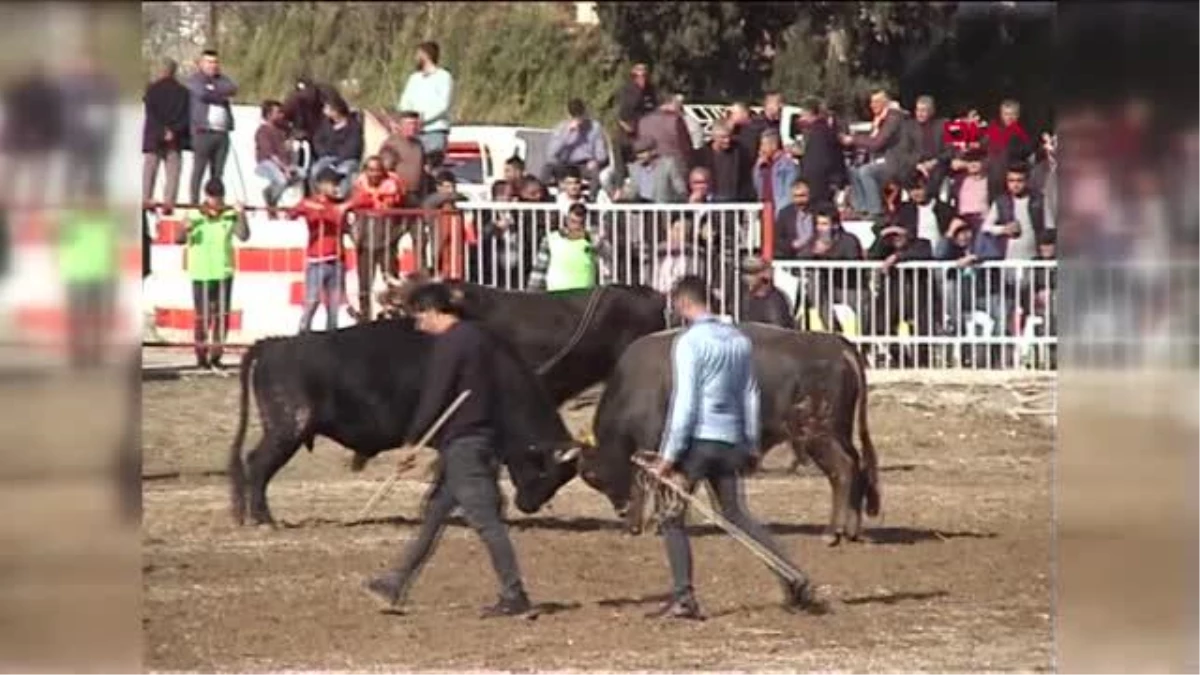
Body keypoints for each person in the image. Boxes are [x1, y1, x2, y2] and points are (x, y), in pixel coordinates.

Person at [648, 276, 829, 620]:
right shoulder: (737, 340)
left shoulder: (689, 343)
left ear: (683, 304)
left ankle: (684, 597)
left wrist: (668, 455)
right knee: (737, 515)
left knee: (671, 516)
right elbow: (750, 393)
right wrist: (749, 442)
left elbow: (685, 402)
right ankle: (791, 576)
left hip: (697, 442)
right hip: (730, 439)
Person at [363, 283, 533, 618]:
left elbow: (435, 394)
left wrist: (413, 442)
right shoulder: (480, 338)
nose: (416, 324)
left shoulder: (451, 344)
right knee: (436, 514)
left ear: (432, 311)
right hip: (481, 438)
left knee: (486, 522)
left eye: (418, 316)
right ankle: (395, 582)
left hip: (465, 444)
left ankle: (515, 595)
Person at [176, 179, 249, 370]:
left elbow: (243, 235)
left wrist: (241, 215)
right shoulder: (193, 213)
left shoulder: (229, 215)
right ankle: (201, 356)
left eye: (219, 197)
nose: (216, 201)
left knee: (222, 316)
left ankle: (216, 356)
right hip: (201, 272)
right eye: (212, 197)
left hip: (224, 271)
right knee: (203, 317)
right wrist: (184, 228)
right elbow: (178, 239)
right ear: (206, 196)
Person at [288, 168, 352, 333]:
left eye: (337, 183)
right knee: (312, 301)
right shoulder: (311, 203)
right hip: (317, 260)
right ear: (321, 185)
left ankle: (331, 339)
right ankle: (303, 335)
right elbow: (292, 213)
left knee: (334, 304)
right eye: (333, 183)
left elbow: (345, 224)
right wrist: (315, 209)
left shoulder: (339, 204)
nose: (337, 187)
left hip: (337, 259)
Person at [185, 49, 238, 206]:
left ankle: (216, 201)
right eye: (209, 62)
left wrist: (214, 90)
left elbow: (232, 88)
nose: (213, 65)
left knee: (218, 172)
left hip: (222, 133)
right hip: (203, 131)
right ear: (201, 64)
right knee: (199, 170)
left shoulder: (223, 79)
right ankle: (194, 203)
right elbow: (202, 94)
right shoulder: (195, 80)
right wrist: (219, 94)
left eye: (215, 62)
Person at [142, 57, 190, 213]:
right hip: (174, 139)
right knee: (173, 173)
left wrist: (161, 130)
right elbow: (185, 116)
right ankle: (169, 203)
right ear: (174, 71)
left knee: (150, 170)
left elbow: (151, 113)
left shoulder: (152, 90)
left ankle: (146, 198)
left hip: (154, 137)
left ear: (161, 70)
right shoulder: (183, 92)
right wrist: (173, 131)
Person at [526, 202, 609, 292]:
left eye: (581, 223)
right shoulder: (550, 239)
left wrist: (601, 244)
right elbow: (539, 269)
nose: (576, 227)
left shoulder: (592, 239)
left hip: (585, 296)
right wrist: (532, 291)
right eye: (573, 221)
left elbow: (608, 258)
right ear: (566, 220)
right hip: (557, 295)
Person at [398, 41, 454, 167]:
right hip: (414, 132)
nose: (415, 58)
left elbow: (443, 105)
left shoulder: (444, 76)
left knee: (431, 167)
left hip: (434, 131)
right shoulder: (414, 78)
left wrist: (423, 119)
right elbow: (405, 101)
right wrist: (409, 119)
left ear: (426, 55)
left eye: (418, 54)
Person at [254, 99, 303, 212]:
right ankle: (271, 203)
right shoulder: (263, 131)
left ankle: (270, 191)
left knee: (302, 173)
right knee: (282, 180)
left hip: (284, 164)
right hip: (267, 163)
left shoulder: (282, 130)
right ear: (269, 115)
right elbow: (270, 154)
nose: (281, 115)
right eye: (278, 112)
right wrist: (284, 168)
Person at [738, 256, 794, 328]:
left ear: (765, 274)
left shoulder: (775, 300)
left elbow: (779, 332)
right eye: (745, 273)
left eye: (753, 273)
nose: (747, 278)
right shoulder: (745, 298)